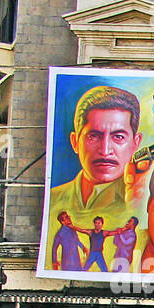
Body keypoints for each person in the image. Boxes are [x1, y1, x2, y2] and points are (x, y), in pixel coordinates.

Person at [47, 86, 143, 238]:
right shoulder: (51, 200)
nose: (105, 150)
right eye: (93, 136)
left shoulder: (144, 203)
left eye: (118, 137)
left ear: (135, 143)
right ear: (75, 142)